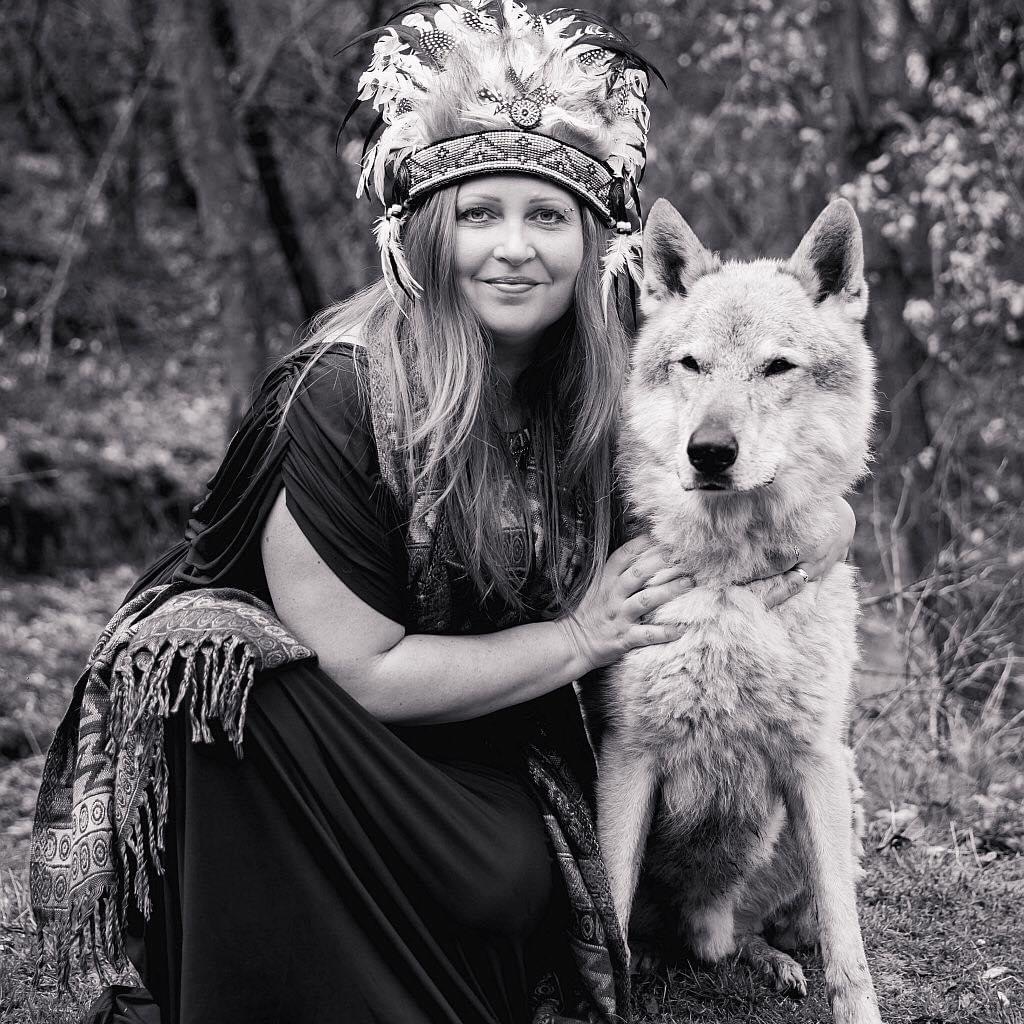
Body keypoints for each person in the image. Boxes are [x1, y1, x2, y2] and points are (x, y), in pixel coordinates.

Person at [30, 3, 855, 1023]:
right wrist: (578, 637)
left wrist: (822, 526)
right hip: (289, 731)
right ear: (424, 231)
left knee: (512, 882)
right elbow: (359, 670)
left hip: (473, 719)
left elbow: (722, 483)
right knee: (290, 724)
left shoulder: (595, 385)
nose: (514, 249)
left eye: (547, 216)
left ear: (592, 243)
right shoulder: (338, 393)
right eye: (478, 214)